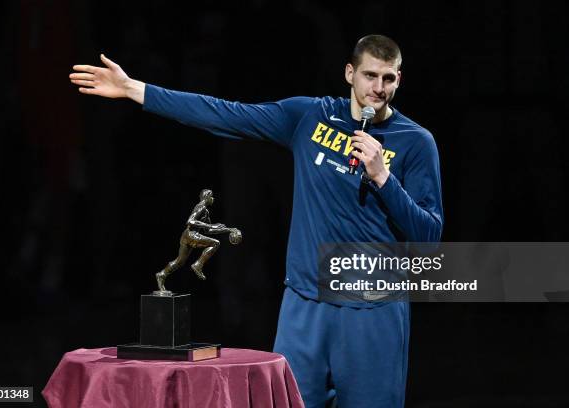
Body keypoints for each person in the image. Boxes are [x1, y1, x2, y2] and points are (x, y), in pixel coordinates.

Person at [70, 34, 443, 408]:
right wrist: (135, 89)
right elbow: (224, 113)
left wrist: (383, 177)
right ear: (349, 73)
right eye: (369, 76)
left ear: (399, 79)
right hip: (305, 305)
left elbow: (428, 235)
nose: (378, 88)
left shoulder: (415, 142)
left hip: (372, 310)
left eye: (388, 78)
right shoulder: (309, 116)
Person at [156, 189, 242, 295]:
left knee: (179, 262)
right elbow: (190, 221)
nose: (213, 198)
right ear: (207, 197)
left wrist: (228, 229)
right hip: (190, 234)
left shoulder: (205, 211)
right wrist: (209, 225)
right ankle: (198, 265)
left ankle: (162, 274)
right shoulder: (200, 206)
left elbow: (208, 231)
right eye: (211, 196)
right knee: (216, 243)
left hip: (187, 235)